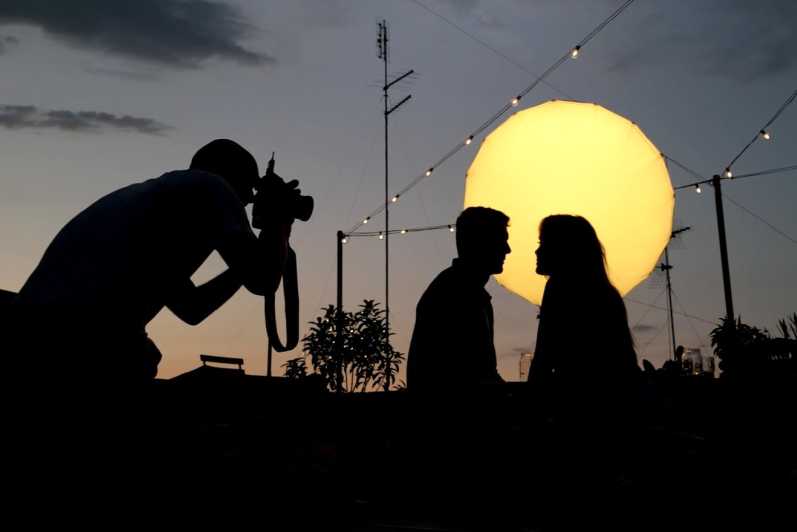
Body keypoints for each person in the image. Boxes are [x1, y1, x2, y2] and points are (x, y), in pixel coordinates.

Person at [12, 139, 291, 385]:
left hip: (35, 332)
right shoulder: (213, 186)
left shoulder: (157, 205)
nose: (247, 202)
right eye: (249, 189)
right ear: (234, 178)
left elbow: (192, 307)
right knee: (138, 358)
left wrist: (258, 254)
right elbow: (263, 279)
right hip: (76, 338)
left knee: (139, 356)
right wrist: (280, 222)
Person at [406, 206, 510, 392]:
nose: (507, 250)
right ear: (480, 244)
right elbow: (474, 373)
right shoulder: (456, 294)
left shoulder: (462, 290)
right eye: (501, 241)